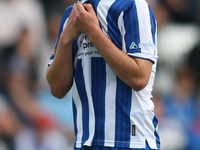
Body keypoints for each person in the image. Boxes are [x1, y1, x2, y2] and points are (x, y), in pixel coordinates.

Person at [46, 0, 160, 150]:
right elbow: (57, 88)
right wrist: (65, 40)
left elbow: (139, 77)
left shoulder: (133, 5)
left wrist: (93, 32)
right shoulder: (72, 13)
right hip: (85, 143)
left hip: (131, 141)